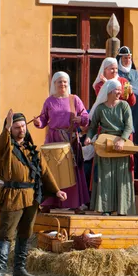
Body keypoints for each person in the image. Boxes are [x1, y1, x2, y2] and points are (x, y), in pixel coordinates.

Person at [0, 109, 67, 276]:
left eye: (23, 126)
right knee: (6, 233)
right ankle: (0, 270)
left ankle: (19, 269)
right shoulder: (6, 148)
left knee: (25, 232)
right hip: (12, 195)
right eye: (17, 127)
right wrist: (7, 130)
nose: (21, 130)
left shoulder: (34, 151)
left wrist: (56, 190)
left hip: (31, 197)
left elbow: (45, 172)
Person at [33, 72, 89, 212]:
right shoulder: (49, 101)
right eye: (59, 82)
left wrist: (80, 119)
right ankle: (48, 202)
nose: (62, 84)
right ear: (54, 84)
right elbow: (43, 120)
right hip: (53, 139)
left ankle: (75, 203)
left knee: (71, 171)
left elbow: (85, 116)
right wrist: (37, 122)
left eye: (65, 82)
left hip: (70, 139)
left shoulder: (74, 99)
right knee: (51, 170)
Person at [85, 80, 135, 215]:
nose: (119, 92)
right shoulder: (100, 108)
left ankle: (122, 208)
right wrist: (89, 137)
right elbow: (93, 126)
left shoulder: (124, 106)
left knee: (121, 175)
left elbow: (128, 126)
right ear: (109, 92)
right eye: (116, 90)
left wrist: (122, 140)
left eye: (120, 90)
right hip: (104, 144)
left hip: (121, 145)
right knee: (105, 177)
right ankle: (105, 208)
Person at [117, 46, 138, 178]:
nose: (127, 60)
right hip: (122, 111)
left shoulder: (135, 73)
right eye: (125, 58)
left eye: (129, 57)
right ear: (120, 58)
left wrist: (128, 89)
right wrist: (129, 90)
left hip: (136, 110)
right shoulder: (116, 72)